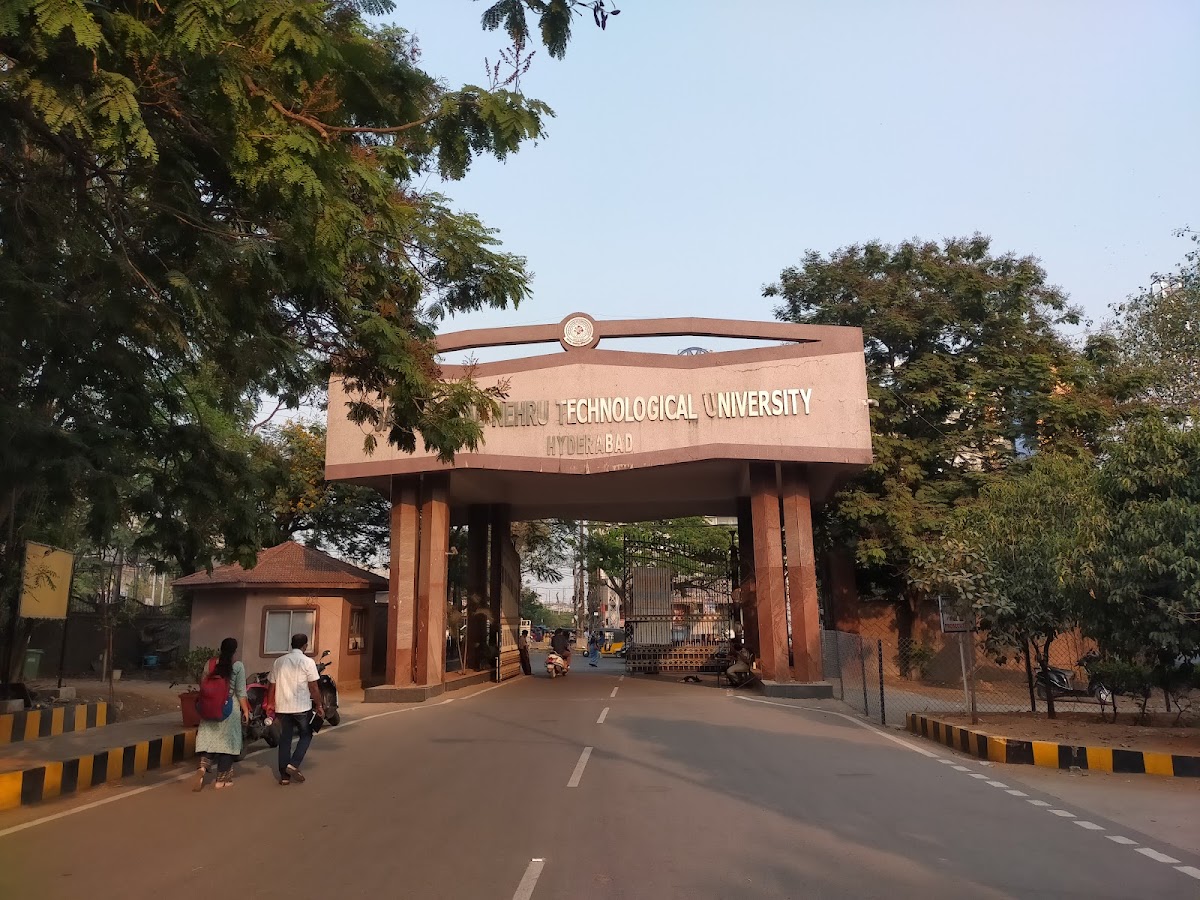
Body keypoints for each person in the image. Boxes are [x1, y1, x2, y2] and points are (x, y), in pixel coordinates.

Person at [193, 637, 251, 791]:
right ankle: (221, 781)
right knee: (227, 745)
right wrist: (245, 710)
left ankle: (203, 767)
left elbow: (203, 684)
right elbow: (241, 692)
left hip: (209, 708)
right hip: (228, 709)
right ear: (235, 650)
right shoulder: (237, 666)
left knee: (209, 741)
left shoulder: (210, 663)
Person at [267, 633, 324, 786]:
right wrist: (319, 705)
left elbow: (271, 685)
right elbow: (313, 686)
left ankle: (284, 776)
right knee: (306, 734)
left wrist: (270, 703)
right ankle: (294, 764)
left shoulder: (279, 662)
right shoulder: (308, 662)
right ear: (305, 646)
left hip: (282, 707)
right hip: (301, 707)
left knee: (285, 738)